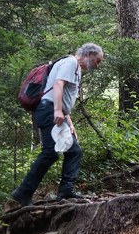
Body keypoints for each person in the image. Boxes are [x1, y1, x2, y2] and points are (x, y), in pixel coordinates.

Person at [10, 43, 105, 206]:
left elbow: (64, 96)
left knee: (73, 151)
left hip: (52, 111)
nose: (98, 65)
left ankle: (65, 191)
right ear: (88, 54)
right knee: (51, 152)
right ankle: (23, 193)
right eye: (97, 60)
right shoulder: (71, 63)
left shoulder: (74, 68)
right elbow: (58, 85)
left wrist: (69, 122)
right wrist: (57, 111)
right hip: (48, 111)